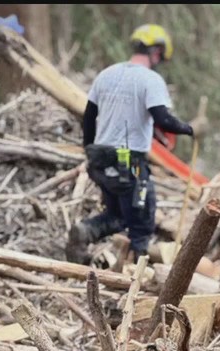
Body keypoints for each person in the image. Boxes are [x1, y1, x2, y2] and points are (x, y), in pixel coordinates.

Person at [66, 23, 205, 266]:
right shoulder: (150, 80)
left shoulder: (106, 74)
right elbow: (162, 119)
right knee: (142, 220)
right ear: (157, 52)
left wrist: (89, 150)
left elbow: (89, 117)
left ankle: (85, 231)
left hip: (100, 158)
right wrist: (190, 129)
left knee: (118, 215)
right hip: (129, 161)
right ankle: (138, 278)